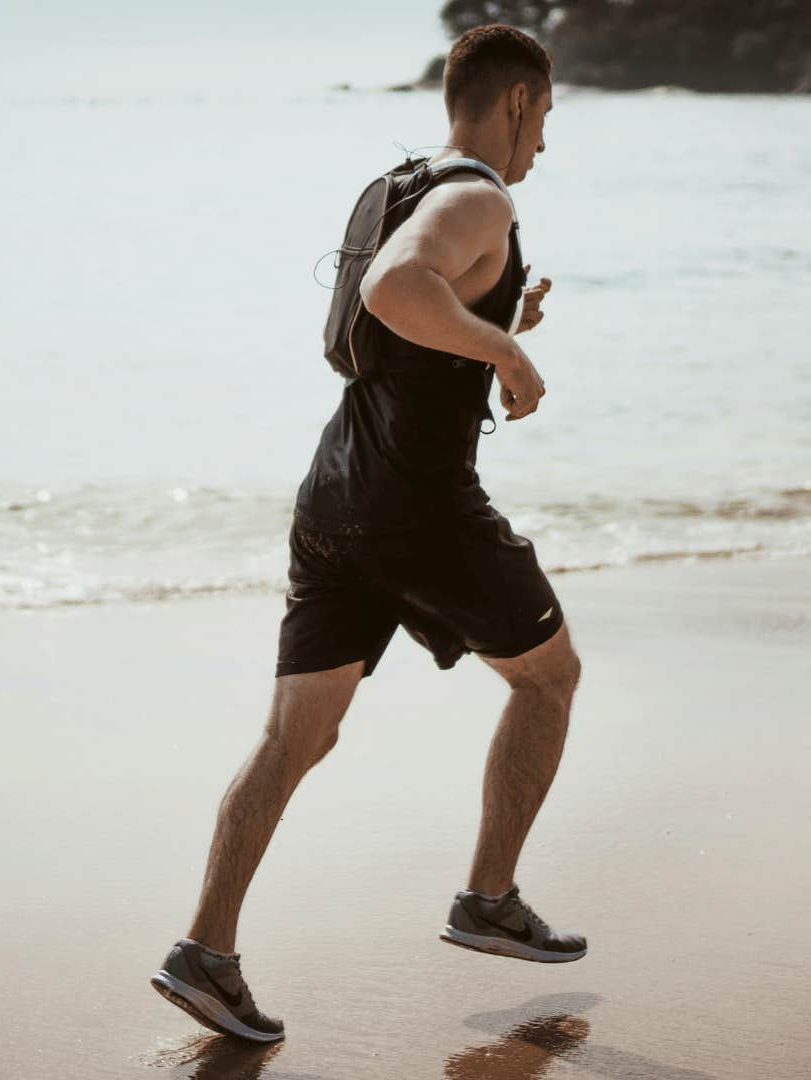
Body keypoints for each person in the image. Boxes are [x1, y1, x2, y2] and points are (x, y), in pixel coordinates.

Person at [149, 24, 585, 1044]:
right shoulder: (481, 196)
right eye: (548, 119)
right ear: (517, 102)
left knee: (296, 736)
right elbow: (396, 291)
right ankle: (489, 899)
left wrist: (492, 323)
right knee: (550, 678)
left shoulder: (395, 186)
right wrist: (510, 361)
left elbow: (384, 331)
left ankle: (204, 951)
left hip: (335, 497)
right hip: (419, 507)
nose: (546, 147)